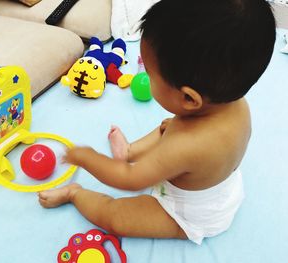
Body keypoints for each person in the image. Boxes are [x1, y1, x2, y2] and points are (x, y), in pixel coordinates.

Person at [38, 0, 276, 244]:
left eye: (150, 74)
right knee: (168, 125)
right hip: (212, 180)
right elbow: (172, 132)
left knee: (116, 218)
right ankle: (128, 151)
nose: (145, 78)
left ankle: (75, 194)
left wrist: (86, 158)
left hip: (188, 213)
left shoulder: (188, 146)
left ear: (188, 98)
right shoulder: (233, 103)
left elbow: (129, 179)